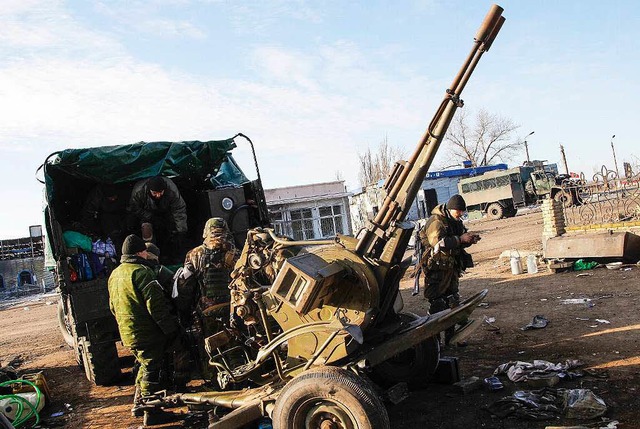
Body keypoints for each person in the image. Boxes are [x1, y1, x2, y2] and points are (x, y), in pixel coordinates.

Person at [107, 234, 182, 421]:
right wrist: (171, 329)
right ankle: (151, 411)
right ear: (141, 252)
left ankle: (138, 404)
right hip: (146, 332)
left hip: (128, 331)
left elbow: (112, 307)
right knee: (151, 368)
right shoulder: (141, 272)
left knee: (143, 365)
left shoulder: (115, 274)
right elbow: (156, 307)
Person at [174, 218, 239, 381]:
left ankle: (214, 383)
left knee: (210, 348)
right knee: (236, 344)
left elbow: (185, 286)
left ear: (206, 232)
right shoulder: (237, 253)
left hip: (207, 311)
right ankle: (241, 379)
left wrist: (184, 310)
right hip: (234, 308)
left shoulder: (194, 254)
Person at [418, 194, 480, 346]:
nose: (460, 215)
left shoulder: (455, 221)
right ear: (450, 209)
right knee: (438, 305)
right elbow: (438, 243)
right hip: (437, 269)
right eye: (458, 212)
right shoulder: (437, 221)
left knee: (453, 302)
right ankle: (435, 343)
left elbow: (459, 239)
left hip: (451, 268)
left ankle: (452, 339)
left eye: (461, 212)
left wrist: (469, 239)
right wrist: (460, 239)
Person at [128, 176, 188, 263]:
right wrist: (149, 217)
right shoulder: (139, 191)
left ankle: (172, 255)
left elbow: (179, 209)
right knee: (146, 229)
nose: (158, 195)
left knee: (175, 232)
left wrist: (181, 230)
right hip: (146, 214)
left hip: (166, 212)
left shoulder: (171, 190)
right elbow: (134, 208)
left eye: (161, 192)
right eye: (155, 193)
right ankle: (150, 257)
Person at [79, 183, 128, 254]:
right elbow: (88, 214)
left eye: (114, 197)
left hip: (118, 220)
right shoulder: (96, 197)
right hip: (104, 221)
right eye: (111, 197)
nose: (113, 199)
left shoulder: (121, 196)